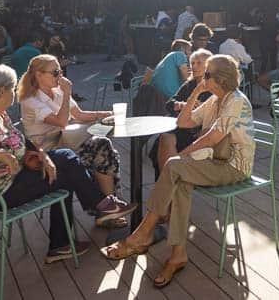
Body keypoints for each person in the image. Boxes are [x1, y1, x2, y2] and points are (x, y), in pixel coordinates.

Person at [0, 65, 136, 263]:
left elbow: (21, 138)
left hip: (12, 180)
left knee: (63, 171)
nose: (14, 91)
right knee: (66, 160)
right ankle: (99, 207)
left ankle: (64, 242)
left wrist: (43, 155)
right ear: (0, 91)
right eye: (12, 88)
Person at [101, 55, 255, 290]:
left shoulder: (236, 101)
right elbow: (183, 123)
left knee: (174, 165)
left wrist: (183, 155)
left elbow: (213, 137)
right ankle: (178, 254)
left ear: (220, 79)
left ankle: (142, 233)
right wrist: (195, 93)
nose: (201, 77)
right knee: (181, 182)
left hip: (234, 166)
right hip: (214, 162)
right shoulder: (215, 99)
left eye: (206, 74)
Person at [20, 55, 125, 225]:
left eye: (60, 71)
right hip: (47, 154)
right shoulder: (30, 100)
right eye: (55, 73)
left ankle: (106, 210)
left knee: (102, 146)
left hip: (67, 143)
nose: (60, 76)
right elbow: (61, 121)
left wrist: (106, 114)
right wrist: (68, 92)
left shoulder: (58, 91)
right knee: (103, 153)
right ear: (39, 75)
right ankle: (107, 210)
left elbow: (80, 115)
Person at [148, 49, 213, 180]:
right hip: (179, 127)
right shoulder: (190, 84)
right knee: (162, 142)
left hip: (197, 133)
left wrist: (202, 110)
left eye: (199, 63)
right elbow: (169, 104)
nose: (194, 66)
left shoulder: (213, 88)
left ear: (209, 66)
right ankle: (166, 187)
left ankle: (168, 187)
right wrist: (180, 105)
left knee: (165, 141)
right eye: (192, 63)